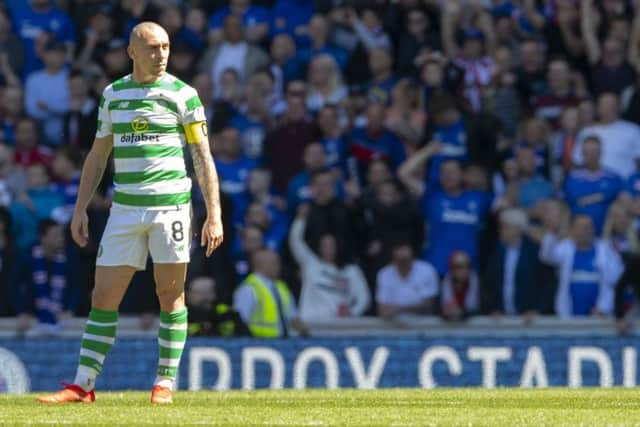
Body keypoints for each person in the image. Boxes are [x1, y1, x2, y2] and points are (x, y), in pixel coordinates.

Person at [37, 22, 224, 405]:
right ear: (132, 51)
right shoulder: (114, 94)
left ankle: (165, 383)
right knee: (103, 296)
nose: (161, 54)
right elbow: (98, 155)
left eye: (166, 47)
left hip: (169, 207)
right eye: (152, 47)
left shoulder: (183, 95)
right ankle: (83, 384)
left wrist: (213, 213)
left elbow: (202, 156)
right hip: (125, 209)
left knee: (170, 295)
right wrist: (80, 208)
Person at [289, 205, 370, 322]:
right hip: (312, 324)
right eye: (324, 246)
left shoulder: (351, 270)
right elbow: (295, 241)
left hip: (339, 326)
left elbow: (364, 298)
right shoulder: (311, 264)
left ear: (338, 246)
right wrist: (300, 219)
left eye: (331, 245)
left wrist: (352, 312)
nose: (327, 249)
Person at [233, 249, 309, 338]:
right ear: (259, 265)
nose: (278, 266)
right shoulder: (249, 289)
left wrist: (307, 333)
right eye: (273, 263)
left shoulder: (282, 288)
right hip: (257, 343)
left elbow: (293, 318)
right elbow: (240, 321)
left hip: (283, 342)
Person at [376, 241, 439, 319]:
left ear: (413, 257)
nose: (403, 263)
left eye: (405, 260)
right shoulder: (384, 273)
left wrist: (400, 309)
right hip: (392, 325)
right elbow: (382, 310)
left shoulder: (427, 270)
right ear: (393, 259)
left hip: (422, 324)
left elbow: (429, 307)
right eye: (400, 260)